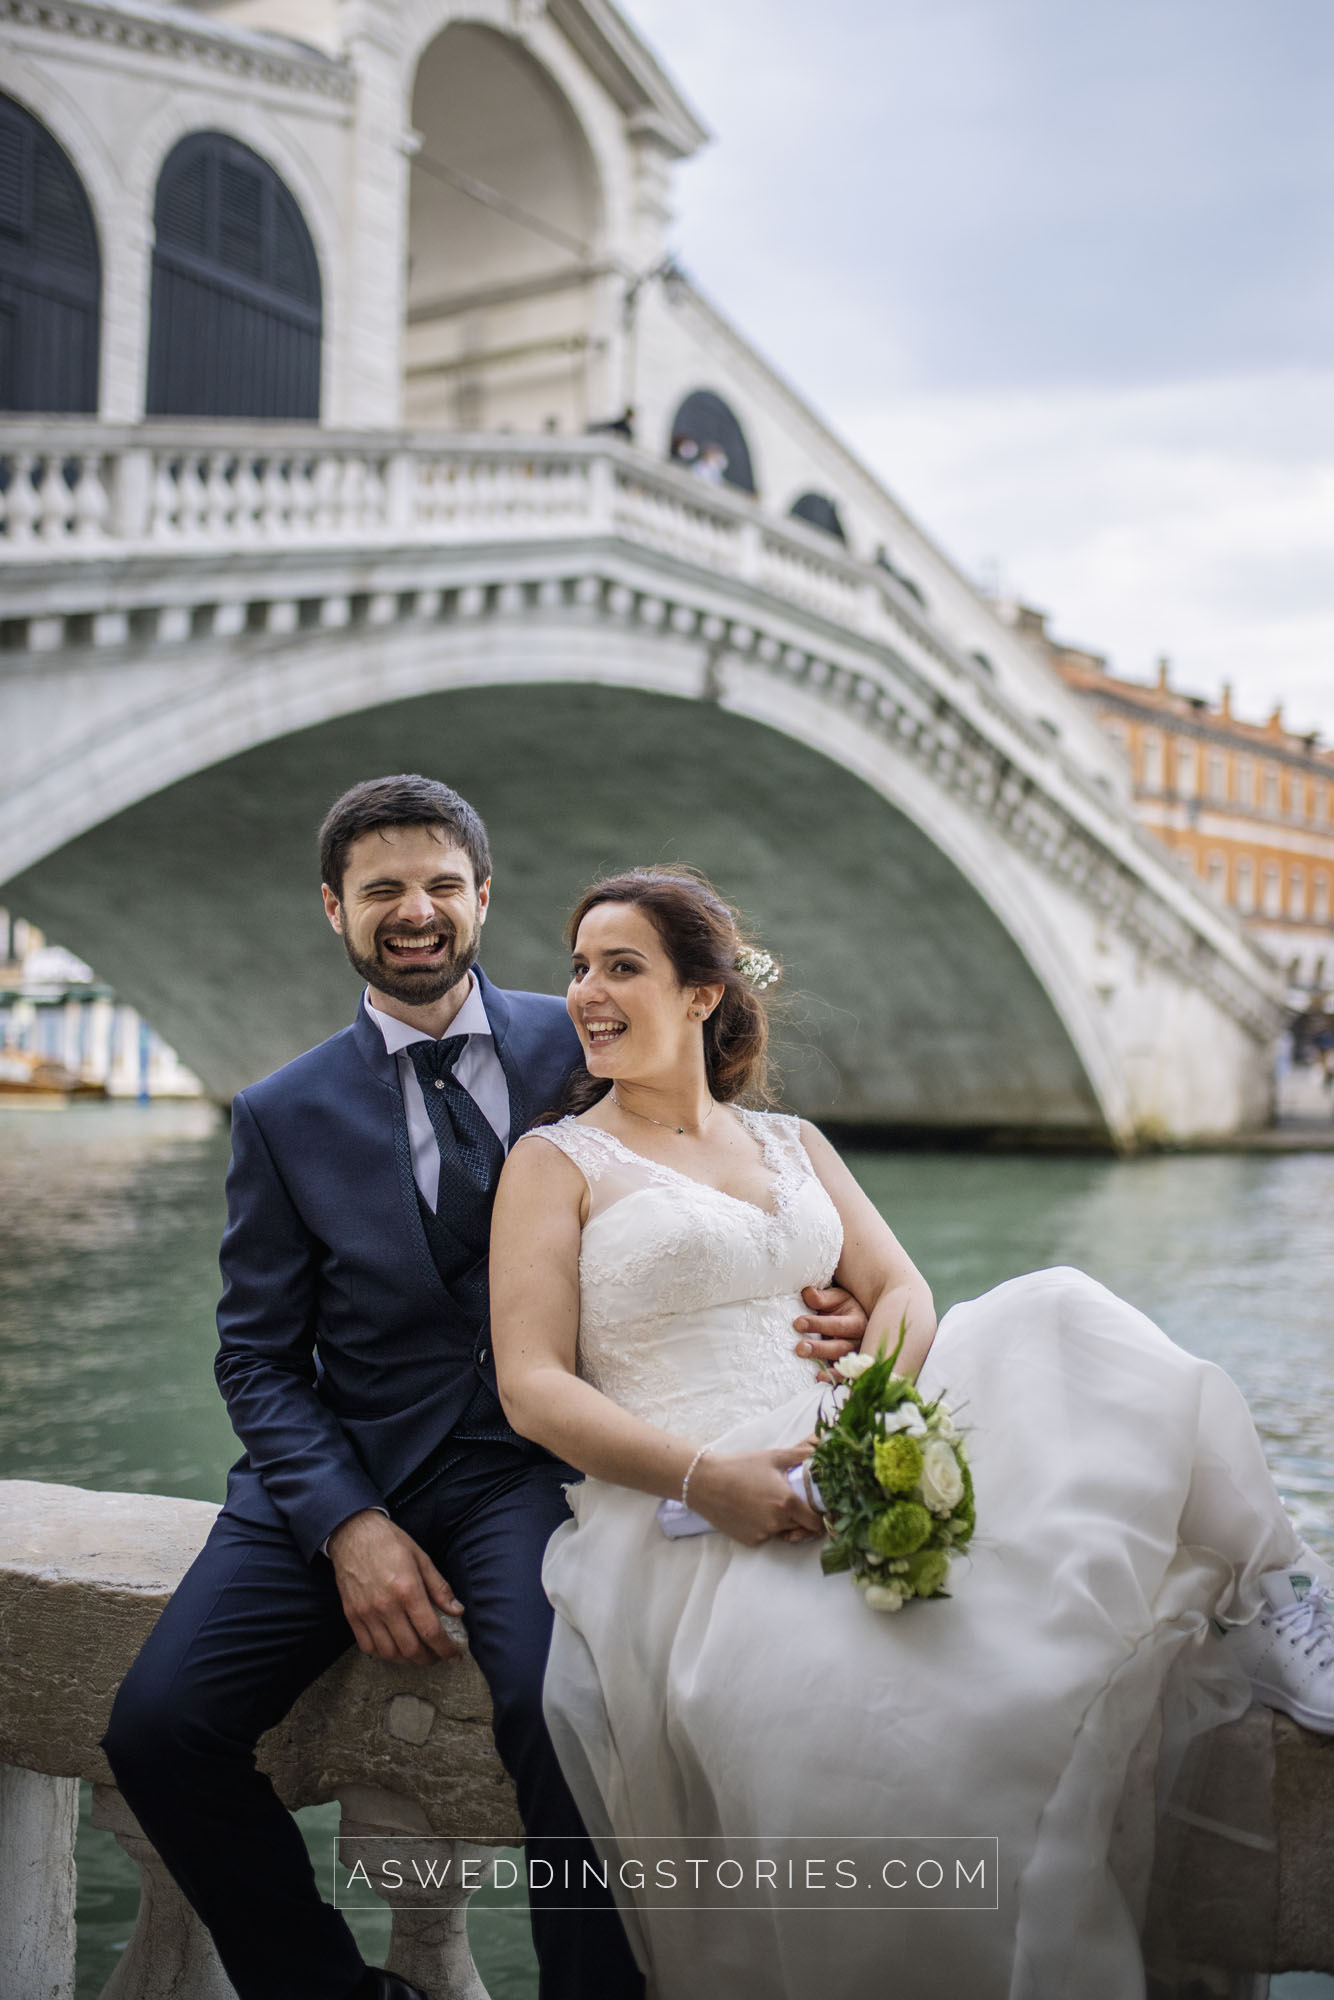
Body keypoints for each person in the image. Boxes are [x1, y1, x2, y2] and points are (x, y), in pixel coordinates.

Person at [490, 864, 1334, 2000]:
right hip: (681, 1498)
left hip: (840, 1432)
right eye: (578, 965)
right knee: (891, 1734)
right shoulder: (553, 1162)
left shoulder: (790, 1141)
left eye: (619, 965)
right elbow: (532, 1385)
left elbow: (900, 1292)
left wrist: (863, 1413)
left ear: (700, 995)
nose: (585, 990)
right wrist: (707, 1472)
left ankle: (1275, 1589)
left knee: (1060, 1310)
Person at [100, 778, 871, 2000]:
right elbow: (254, 1354)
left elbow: (729, 1176)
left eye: (440, 885)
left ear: (482, 897)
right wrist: (347, 1523)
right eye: (383, 890)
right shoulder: (280, 1111)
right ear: (333, 910)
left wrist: (816, 1295)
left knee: (554, 1703)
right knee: (155, 1729)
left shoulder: (589, 1028)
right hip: (337, 1467)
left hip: (524, 1466)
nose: (416, 911)